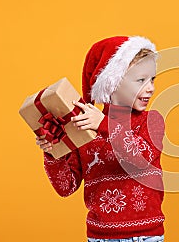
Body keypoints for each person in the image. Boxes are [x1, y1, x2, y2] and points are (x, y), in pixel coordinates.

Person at [36, 36, 165, 242]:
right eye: (141, 80)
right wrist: (53, 152)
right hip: (99, 236)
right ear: (112, 83)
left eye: (152, 79)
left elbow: (141, 158)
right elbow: (65, 186)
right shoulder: (85, 129)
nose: (151, 88)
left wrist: (104, 124)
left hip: (145, 235)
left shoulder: (152, 121)